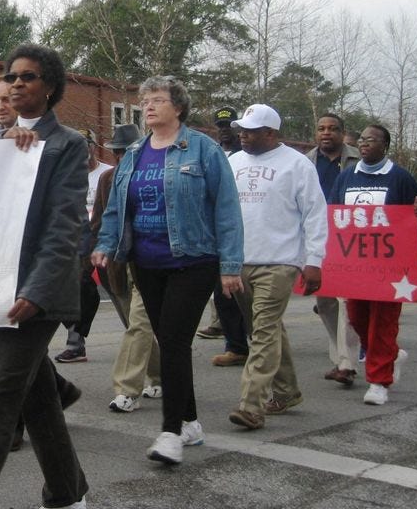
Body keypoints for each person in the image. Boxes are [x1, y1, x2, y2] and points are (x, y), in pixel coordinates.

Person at [0, 44, 88, 509]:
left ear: (50, 87)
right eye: (13, 76)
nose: (18, 83)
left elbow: (64, 227)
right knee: (39, 400)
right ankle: (68, 494)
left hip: (38, 295)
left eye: (29, 76)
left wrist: (37, 292)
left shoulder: (67, 144)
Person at [91, 75, 244, 466]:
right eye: (145, 100)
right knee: (169, 341)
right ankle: (190, 422)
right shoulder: (134, 153)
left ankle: (171, 433)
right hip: (147, 262)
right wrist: (105, 244)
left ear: (178, 107)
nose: (148, 106)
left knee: (173, 341)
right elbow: (116, 207)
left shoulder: (204, 150)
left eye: (157, 100)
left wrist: (230, 265)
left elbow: (227, 208)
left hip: (193, 260)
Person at [227, 104, 327, 431]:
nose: (243, 135)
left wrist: (314, 261)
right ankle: (287, 391)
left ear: (270, 132)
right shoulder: (233, 162)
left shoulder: (297, 165)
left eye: (251, 131)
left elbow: (315, 214)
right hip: (239, 261)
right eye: (241, 130)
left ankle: (251, 405)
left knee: (264, 330)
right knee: (263, 329)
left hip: (280, 261)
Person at [330, 124, 417, 405]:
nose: (364, 144)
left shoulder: (399, 177)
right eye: (361, 139)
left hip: (389, 267)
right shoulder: (347, 176)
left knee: (383, 323)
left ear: (385, 145)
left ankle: (378, 381)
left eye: (371, 140)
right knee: (357, 318)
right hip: (355, 265)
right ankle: (391, 355)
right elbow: (333, 215)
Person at [94, 124, 163, 413]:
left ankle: (127, 389)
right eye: (118, 152)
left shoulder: (156, 175)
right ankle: (160, 376)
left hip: (148, 261)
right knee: (135, 326)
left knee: (139, 324)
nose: (122, 157)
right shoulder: (107, 178)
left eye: (128, 151)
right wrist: (90, 254)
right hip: (117, 265)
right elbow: (99, 221)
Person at [305, 113, 361, 386]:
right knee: (325, 302)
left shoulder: (359, 160)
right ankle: (340, 355)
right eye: (321, 128)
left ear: (342, 132)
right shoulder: (305, 162)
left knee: (347, 300)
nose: (326, 133)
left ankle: (347, 363)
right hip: (317, 238)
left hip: (350, 239)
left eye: (333, 129)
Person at [199, 106, 252, 370]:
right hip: (218, 236)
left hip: (248, 233)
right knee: (224, 295)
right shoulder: (212, 154)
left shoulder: (248, 155)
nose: (224, 131)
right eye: (220, 127)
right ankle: (236, 346)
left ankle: (263, 343)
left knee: (250, 298)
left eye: (230, 126)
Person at [55, 129, 111, 364]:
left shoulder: (107, 174)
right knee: (75, 288)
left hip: (105, 238)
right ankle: (76, 343)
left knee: (119, 292)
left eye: (86, 145)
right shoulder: (64, 175)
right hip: (76, 241)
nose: (82, 150)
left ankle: (147, 337)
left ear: (93, 147)